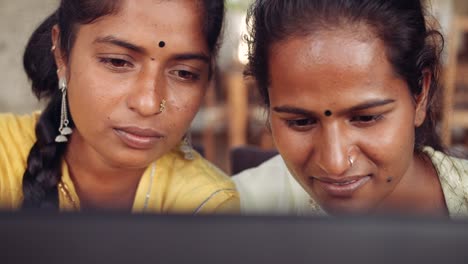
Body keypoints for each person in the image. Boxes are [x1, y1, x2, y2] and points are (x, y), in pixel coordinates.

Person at [233, 0, 468, 218]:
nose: (335, 164)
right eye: (301, 122)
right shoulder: (233, 208)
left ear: (420, 96)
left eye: (366, 118)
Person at [0, 0, 239, 213]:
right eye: (118, 61)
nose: (149, 104)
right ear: (62, 53)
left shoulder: (205, 205)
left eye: (184, 73)